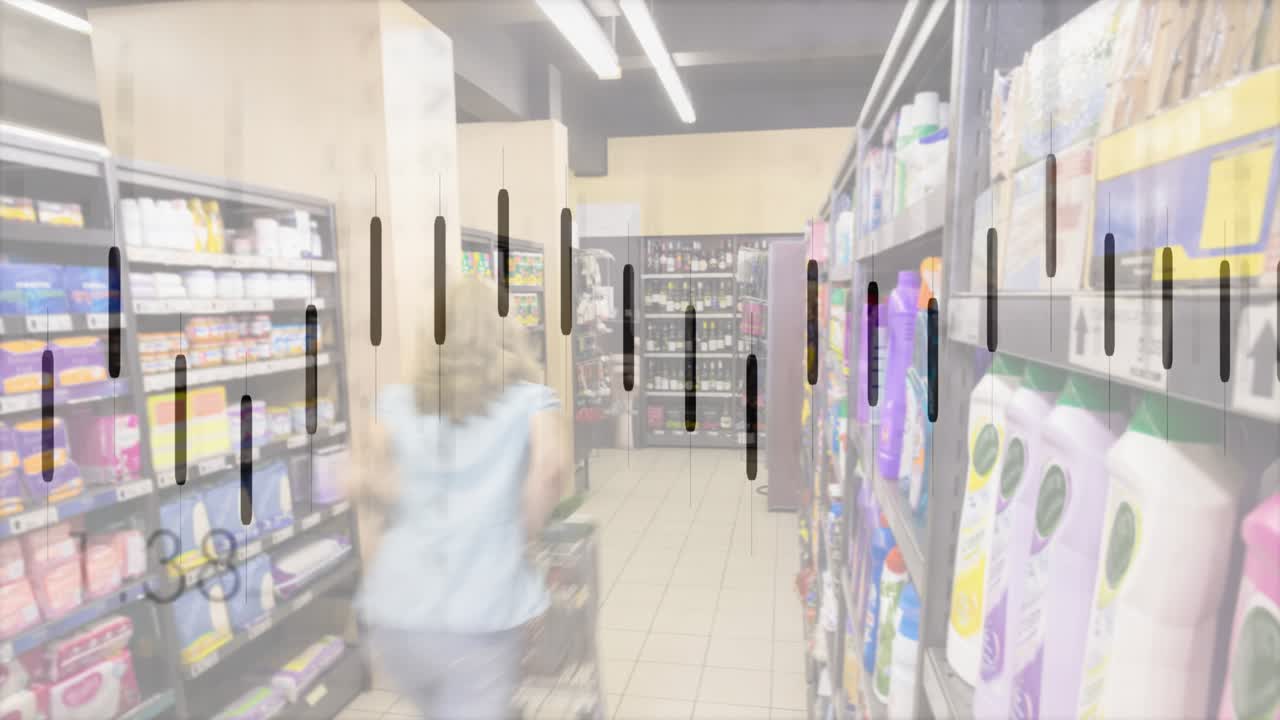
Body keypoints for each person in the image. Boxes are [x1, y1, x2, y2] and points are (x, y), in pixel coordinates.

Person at [357, 277, 565, 719]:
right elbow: (550, 471)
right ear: (506, 332)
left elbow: (371, 493)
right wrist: (524, 531)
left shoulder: (392, 405)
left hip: (396, 611)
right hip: (480, 611)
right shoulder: (530, 402)